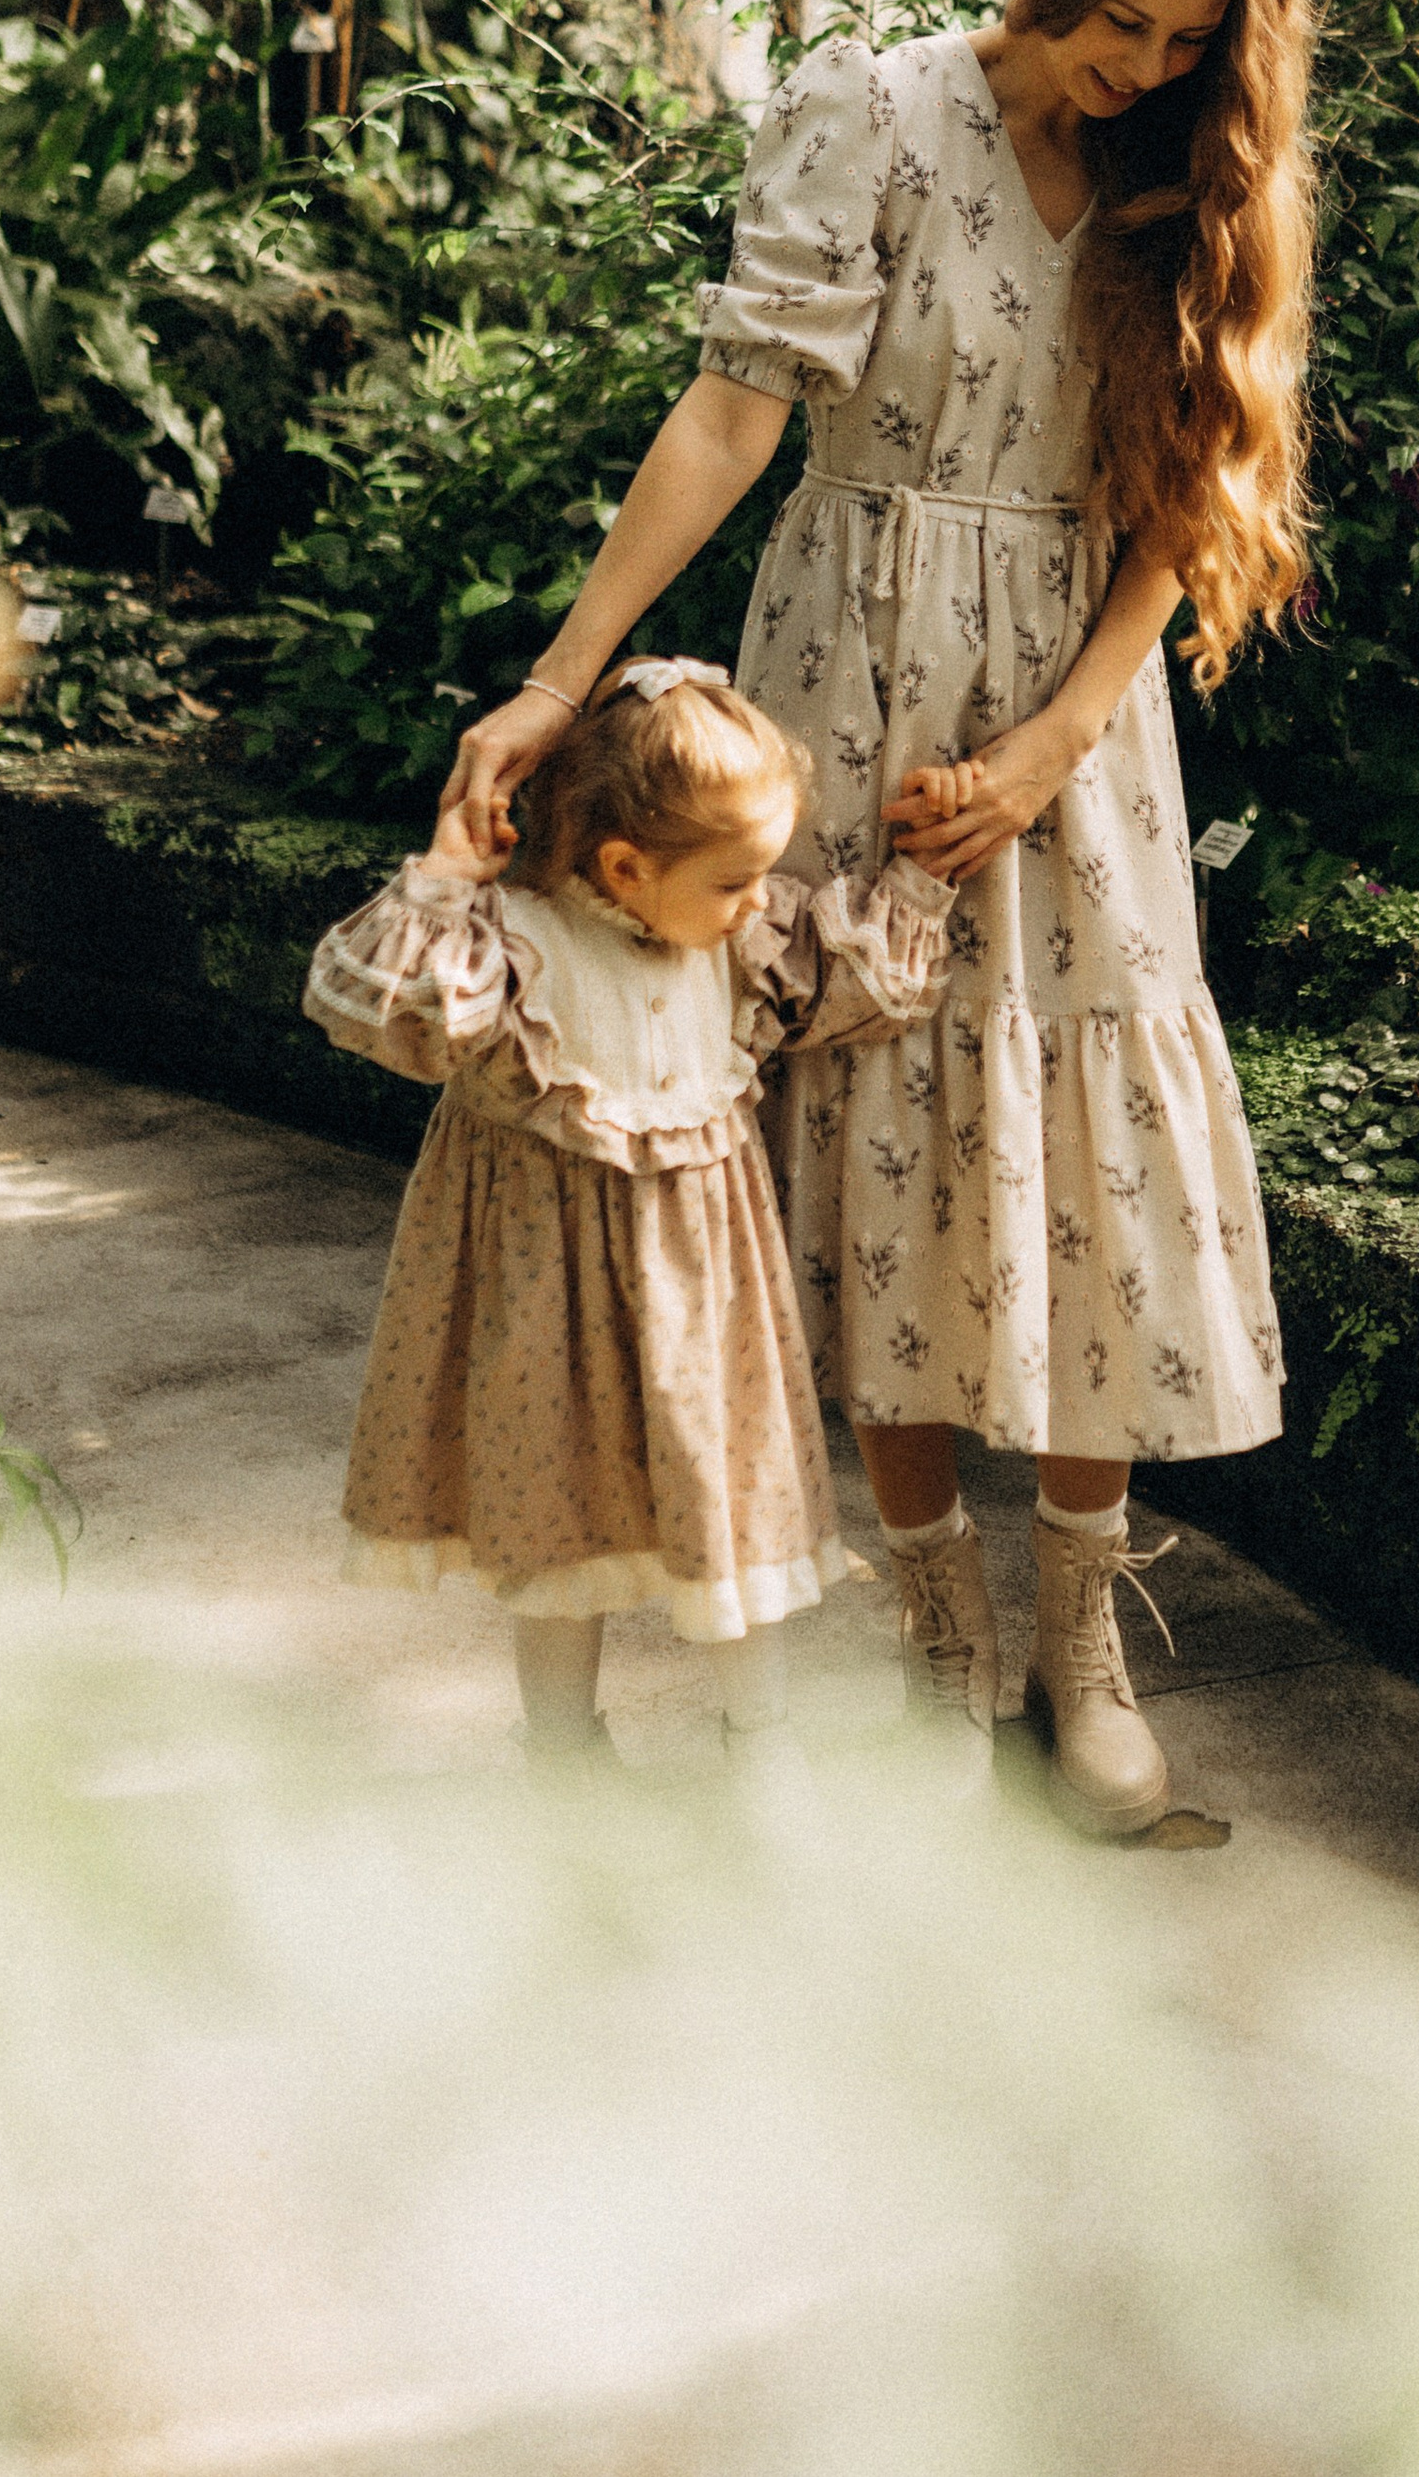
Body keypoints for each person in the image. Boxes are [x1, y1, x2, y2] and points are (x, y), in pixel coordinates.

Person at [441, 0, 1316, 1837]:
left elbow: (1175, 522)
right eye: (1123, 25)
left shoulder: (1182, 179)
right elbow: (734, 414)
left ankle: (1076, 1639)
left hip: (1064, 728)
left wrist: (1043, 753)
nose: (1146, 71)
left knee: (1088, 1145)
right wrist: (563, 680)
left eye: (1188, 43)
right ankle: (938, 1625)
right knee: (874, 1144)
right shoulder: (869, 112)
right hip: (843, 682)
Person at [304, 657, 955, 1790]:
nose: (763, 899)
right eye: (737, 879)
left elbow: (845, 977)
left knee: (734, 1506)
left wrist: (922, 879)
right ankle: (560, 1751)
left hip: (705, 1296)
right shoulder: (513, 948)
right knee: (553, 1515)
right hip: (543, 1299)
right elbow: (368, 1004)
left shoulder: (736, 945)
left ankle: (761, 1744)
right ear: (622, 864)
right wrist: (442, 883)